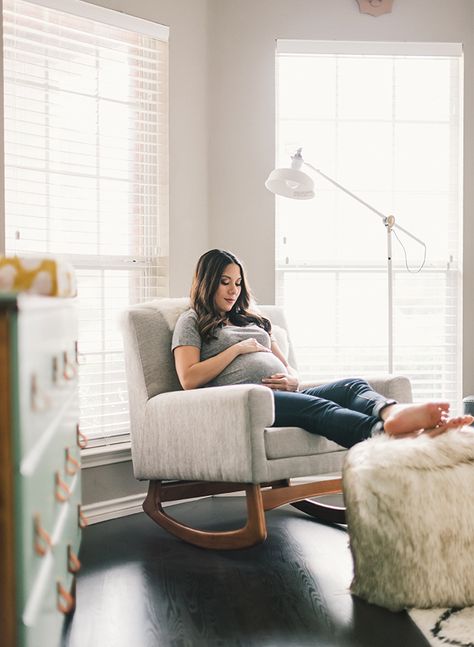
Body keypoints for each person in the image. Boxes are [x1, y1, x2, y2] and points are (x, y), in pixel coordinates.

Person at [172, 249, 472, 449]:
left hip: (286, 394)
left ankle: (392, 413)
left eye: (237, 283)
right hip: (248, 404)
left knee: (352, 386)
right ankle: (387, 434)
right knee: (321, 409)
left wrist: (292, 378)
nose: (233, 290)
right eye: (225, 282)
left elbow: (286, 366)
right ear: (208, 282)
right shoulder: (192, 321)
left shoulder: (252, 320)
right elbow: (189, 379)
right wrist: (235, 350)